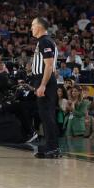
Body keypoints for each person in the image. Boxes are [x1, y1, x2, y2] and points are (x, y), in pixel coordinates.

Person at [30, 16, 60, 158]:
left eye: (33, 25)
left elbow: (48, 65)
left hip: (45, 81)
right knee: (45, 115)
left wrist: (42, 85)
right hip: (42, 79)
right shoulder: (43, 42)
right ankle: (50, 145)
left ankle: (52, 147)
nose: (31, 28)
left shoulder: (45, 41)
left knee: (47, 115)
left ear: (40, 27)